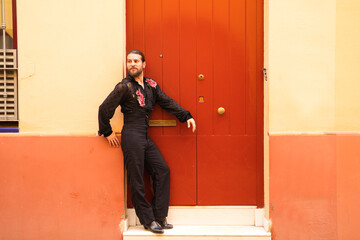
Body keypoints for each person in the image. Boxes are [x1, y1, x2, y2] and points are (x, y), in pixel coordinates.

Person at [98, 49, 196, 234]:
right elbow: (104, 109)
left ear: (144, 64)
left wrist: (186, 116)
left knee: (162, 170)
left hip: (144, 135)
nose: (132, 64)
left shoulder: (151, 85)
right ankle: (148, 220)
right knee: (136, 178)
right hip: (132, 135)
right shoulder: (124, 87)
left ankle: (159, 216)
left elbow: (167, 102)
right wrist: (107, 131)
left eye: (136, 61)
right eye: (129, 61)